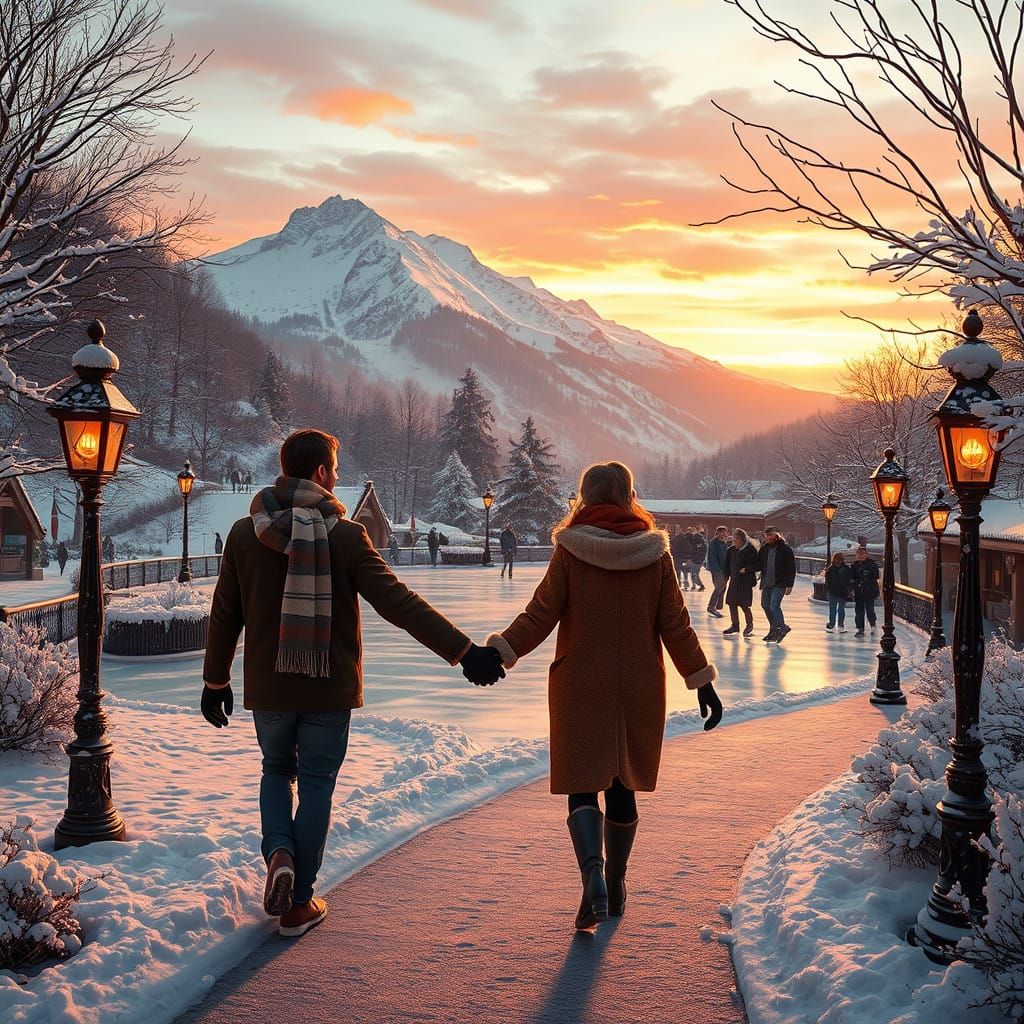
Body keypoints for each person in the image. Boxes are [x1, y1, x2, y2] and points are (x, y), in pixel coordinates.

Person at [200, 429, 504, 938]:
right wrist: (464, 651)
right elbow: (399, 604)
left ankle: (279, 852)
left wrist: (215, 681)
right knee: (316, 784)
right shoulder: (343, 536)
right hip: (327, 688)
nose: (337, 479)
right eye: (334, 470)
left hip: (269, 690)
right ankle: (298, 904)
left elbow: (224, 614)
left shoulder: (242, 534)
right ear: (320, 473)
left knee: (276, 770)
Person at [484, 461, 722, 931]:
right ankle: (616, 882)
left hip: (579, 683)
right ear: (628, 496)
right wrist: (702, 680)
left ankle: (590, 874)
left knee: (582, 783)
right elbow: (675, 625)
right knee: (623, 785)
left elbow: (540, 614)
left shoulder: (570, 550)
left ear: (586, 496)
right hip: (637, 685)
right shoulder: (655, 554)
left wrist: (500, 652)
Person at [758, 526, 796, 643]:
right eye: (767, 535)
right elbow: (759, 563)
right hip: (767, 582)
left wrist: (790, 584)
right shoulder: (764, 549)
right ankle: (774, 629)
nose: (769, 537)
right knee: (765, 605)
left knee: (774, 605)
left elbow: (791, 568)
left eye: (771, 535)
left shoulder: (785, 550)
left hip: (780, 582)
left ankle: (782, 627)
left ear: (776, 536)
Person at [723, 528, 759, 636]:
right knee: (731, 603)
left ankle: (749, 624)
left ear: (742, 539)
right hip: (734, 580)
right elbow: (726, 565)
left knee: (744, 605)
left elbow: (757, 565)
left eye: (737, 539)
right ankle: (735, 625)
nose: (735, 542)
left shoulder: (750, 550)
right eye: (733, 539)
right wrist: (725, 577)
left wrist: (746, 569)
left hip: (745, 581)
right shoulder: (731, 550)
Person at [851, 546, 880, 637]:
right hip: (859, 591)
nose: (861, 556)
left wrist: (866, 578)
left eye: (863, 554)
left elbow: (876, 576)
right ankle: (860, 629)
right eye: (859, 554)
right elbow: (852, 578)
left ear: (866, 554)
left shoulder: (871, 564)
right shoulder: (854, 565)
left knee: (870, 610)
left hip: (869, 591)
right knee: (859, 611)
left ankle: (873, 626)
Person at [705, 525, 730, 617]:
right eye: (722, 532)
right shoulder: (714, 543)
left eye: (725, 532)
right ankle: (711, 606)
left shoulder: (723, 543)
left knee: (723, 587)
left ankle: (718, 606)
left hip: (724, 569)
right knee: (719, 586)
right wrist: (717, 570)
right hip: (717, 570)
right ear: (718, 533)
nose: (724, 534)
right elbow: (712, 558)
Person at [825, 553, 853, 632]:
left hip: (833, 591)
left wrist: (828, 589)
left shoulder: (830, 569)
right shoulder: (846, 569)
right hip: (842, 592)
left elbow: (827, 580)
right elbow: (849, 580)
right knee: (841, 609)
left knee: (833, 609)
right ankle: (840, 625)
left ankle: (832, 624)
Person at [689, 527, 707, 592]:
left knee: (694, 574)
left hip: (697, 560)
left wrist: (693, 557)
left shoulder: (698, 540)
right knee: (693, 574)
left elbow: (697, 550)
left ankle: (701, 585)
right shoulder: (701, 540)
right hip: (698, 559)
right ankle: (698, 585)